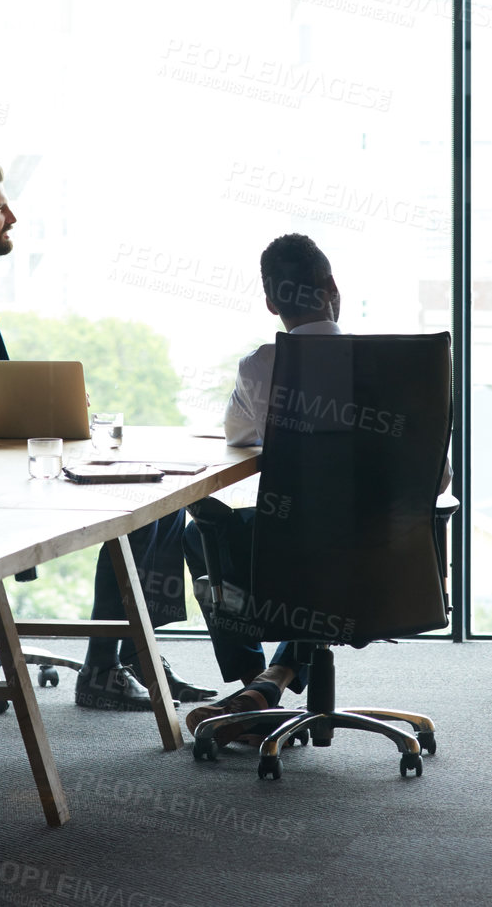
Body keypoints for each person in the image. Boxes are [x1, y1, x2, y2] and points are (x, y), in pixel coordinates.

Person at [0, 157, 216, 711]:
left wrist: (52, 402)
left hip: (7, 454)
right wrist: (38, 409)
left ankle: (131, 653)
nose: (11, 216)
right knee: (136, 506)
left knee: (160, 501)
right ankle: (104, 668)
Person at [181, 233, 338, 742]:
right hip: (391, 555)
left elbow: (236, 435)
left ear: (271, 303)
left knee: (200, 532)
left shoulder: (260, 366)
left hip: (294, 551)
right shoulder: (401, 364)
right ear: (332, 287)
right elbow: (440, 476)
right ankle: (269, 685)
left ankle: (257, 689)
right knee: (316, 550)